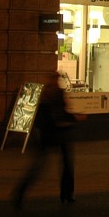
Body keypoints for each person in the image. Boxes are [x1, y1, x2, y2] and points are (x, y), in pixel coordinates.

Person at [12, 71, 79, 208]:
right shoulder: (52, 94)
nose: (58, 81)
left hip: (50, 134)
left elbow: (53, 114)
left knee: (48, 165)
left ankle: (20, 192)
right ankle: (66, 194)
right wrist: (72, 119)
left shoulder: (47, 94)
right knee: (61, 164)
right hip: (56, 133)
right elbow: (57, 113)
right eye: (57, 79)